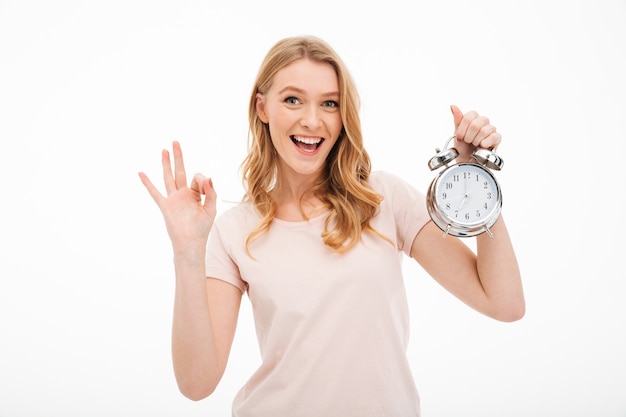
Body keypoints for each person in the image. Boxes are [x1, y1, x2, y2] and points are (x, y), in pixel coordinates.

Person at [138, 35, 524, 417]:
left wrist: (474, 175)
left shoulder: (384, 199)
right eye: (292, 100)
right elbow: (196, 383)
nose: (312, 120)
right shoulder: (234, 230)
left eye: (330, 104)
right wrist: (188, 253)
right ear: (262, 107)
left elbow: (503, 303)